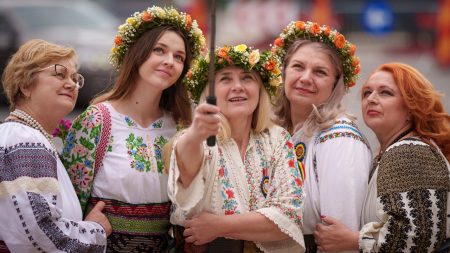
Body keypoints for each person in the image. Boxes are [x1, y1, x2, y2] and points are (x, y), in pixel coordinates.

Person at [61, 6, 206, 252]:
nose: (169, 61)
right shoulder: (97, 120)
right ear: (138, 54)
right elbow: (68, 203)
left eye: (179, 57)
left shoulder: (181, 127)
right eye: (159, 50)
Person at [167, 44, 305, 253]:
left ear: (260, 89)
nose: (238, 86)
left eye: (247, 77)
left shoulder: (277, 138)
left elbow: (289, 217)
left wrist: (218, 226)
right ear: (209, 93)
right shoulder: (196, 140)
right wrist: (195, 134)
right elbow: (187, 173)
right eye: (225, 79)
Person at [314, 62, 450, 252]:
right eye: (367, 93)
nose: (371, 99)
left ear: (411, 107)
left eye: (385, 92)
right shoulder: (394, 152)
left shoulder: (409, 151)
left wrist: (354, 241)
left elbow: (418, 237)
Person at [0, 39, 111, 252]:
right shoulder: (24, 140)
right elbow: (41, 235)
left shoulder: (26, 136)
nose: (71, 84)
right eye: (59, 74)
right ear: (25, 85)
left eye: (75, 78)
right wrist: (95, 230)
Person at [271, 21, 372, 252]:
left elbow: (338, 234)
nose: (306, 78)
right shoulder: (276, 132)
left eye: (320, 72)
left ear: (336, 84)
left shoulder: (340, 139)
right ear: (284, 71)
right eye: (298, 66)